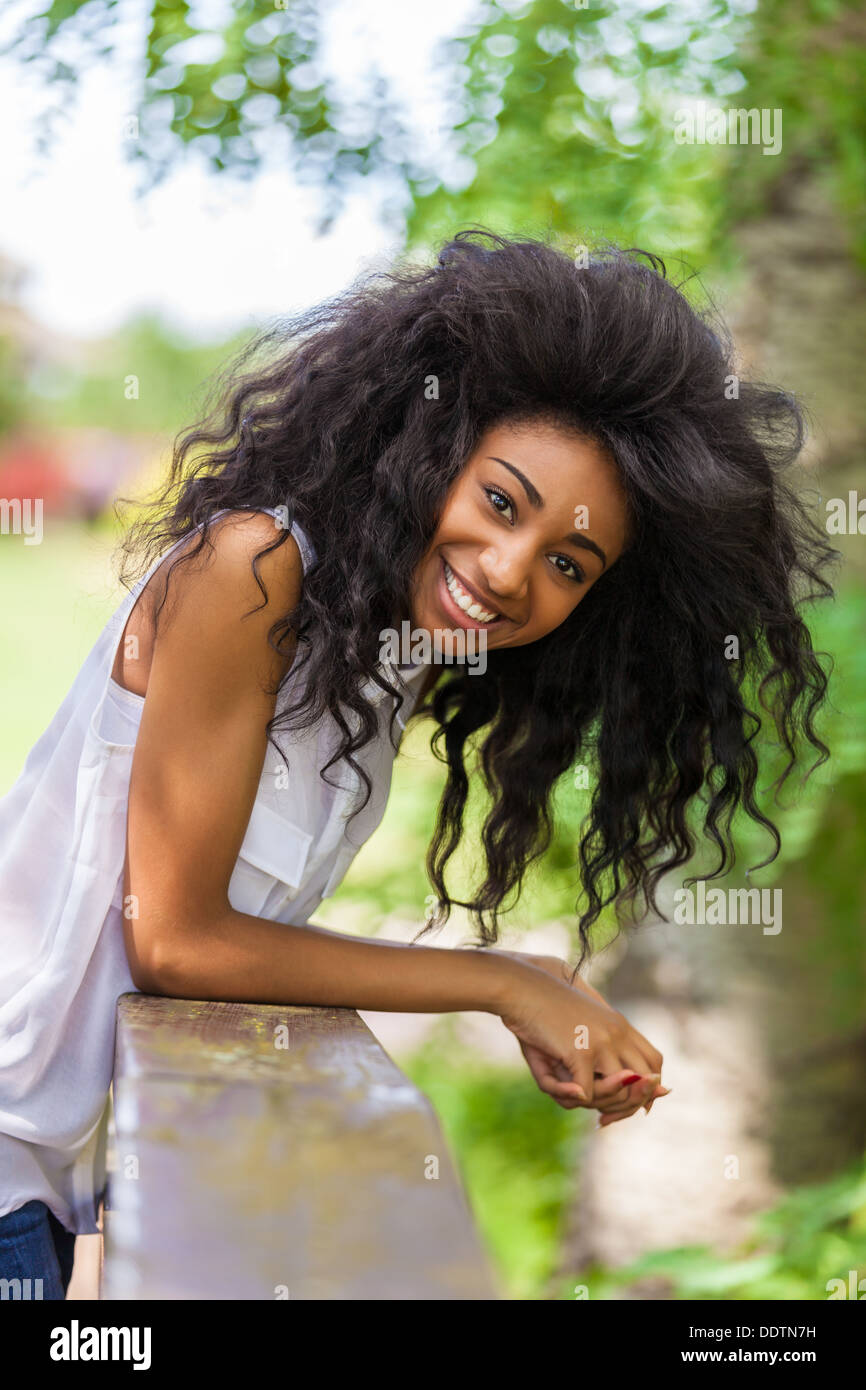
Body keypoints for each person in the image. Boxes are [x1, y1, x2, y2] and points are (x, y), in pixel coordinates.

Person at [0, 230, 834, 1299]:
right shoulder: (251, 570)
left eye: (566, 563)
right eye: (500, 502)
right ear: (430, 444)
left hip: (45, 1175)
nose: (506, 572)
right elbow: (176, 939)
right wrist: (499, 981)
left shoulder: (387, 656)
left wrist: (536, 978)